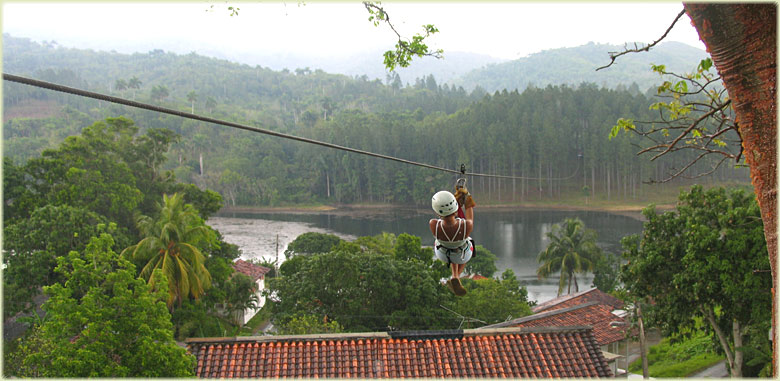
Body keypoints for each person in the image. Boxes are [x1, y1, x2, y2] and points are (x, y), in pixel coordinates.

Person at [429, 187, 476, 296]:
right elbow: (469, 211)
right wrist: (467, 197)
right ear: (455, 210)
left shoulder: (433, 224)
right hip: (462, 256)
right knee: (467, 242)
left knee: (450, 245)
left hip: (442, 254)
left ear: (437, 212)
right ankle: (456, 275)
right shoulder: (466, 226)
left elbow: (445, 217)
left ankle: (455, 275)